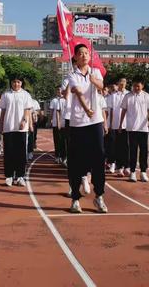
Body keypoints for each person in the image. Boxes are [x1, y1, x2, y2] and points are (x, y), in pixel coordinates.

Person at [67, 44, 108, 214]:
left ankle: (99, 196)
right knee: (76, 160)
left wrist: (93, 80)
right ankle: (75, 198)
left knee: (99, 158)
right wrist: (86, 109)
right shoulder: (71, 74)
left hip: (95, 122)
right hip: (78, 122)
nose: (83, 55)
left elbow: (101, 86)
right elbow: (77, 92)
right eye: (80, 53)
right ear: (75, 57)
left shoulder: (95, 72)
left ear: (89, 56)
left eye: (86, 53)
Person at [0, 77, 34, 187]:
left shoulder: (25, 95)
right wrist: (1, 125)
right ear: (11, 83)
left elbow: (27, 110)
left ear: (21, 83)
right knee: (9, 152)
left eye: (18, 82)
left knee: (21, 153)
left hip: (21, 128)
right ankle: (9, 176)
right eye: (14, 82)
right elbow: (3, 111)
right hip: (8, 127)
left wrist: (24, 120)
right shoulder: (6, 95)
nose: (16, 84)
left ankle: (20, 176)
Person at [120, 77, 149, 183]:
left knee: (144, 151)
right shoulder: (128, 96)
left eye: (138, 86)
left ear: (142, 86)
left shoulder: (146, 96)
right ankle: (133, 172)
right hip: (132, 128)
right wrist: (121, 124)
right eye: (135, 85)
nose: (136, 87)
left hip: (143, 128)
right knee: (132, 151)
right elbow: (124, 111)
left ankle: (143, 172)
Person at [106, 77, 129, 176]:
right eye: (121, 82)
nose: (122, 83)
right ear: (118, 83)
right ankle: (119, 167)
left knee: (126, 146)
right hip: (115, 125)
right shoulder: (113, 96)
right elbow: (110, 111)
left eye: (124, 82)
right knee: (117, 146)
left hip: (127, 125)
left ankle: (127, 166)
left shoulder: (129, 94)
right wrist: (110, 124)